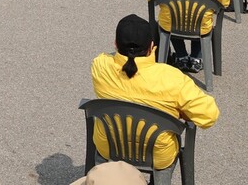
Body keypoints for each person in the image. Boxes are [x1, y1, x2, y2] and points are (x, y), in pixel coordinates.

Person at [90, 14, 219, 172]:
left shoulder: (100, 67)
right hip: (157, 156)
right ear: (151, 46)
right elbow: (209, 116)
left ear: (116, 44)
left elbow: (113, 60)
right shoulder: (172, 78)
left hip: (109, 148)